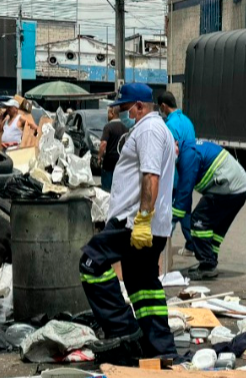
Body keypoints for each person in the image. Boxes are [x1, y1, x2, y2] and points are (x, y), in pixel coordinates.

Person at [77, 83, 179, 362]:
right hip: (147, 224)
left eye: (123, 108)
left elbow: (151, 176)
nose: (119, 113)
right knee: (142, 282)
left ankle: (124, 332)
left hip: (133, 222)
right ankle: (160, 348)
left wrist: (143, 219)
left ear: (138, 106)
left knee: (90, 263)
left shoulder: (148, 129)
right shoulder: (160, 131)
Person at [172, 140, 246, 280]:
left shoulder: (188, 157)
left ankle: (207, 265)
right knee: (215, 228)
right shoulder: (189, 149)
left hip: (229, 186)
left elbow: (184, 193)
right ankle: (210, 260)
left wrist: (170, 221)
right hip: (239, 187)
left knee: (199, 220)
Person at [158, 91, 199, 256]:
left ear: (163, 106)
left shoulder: (170, 125)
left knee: (172, 210)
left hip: (175, 176)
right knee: (185, 209)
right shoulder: (188, 122)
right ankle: (191, 244)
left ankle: (162, 245)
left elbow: (170, 153)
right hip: (189, 173)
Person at [99, 106, 128, 191]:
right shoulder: (126, 127)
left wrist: (99, 156)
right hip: (122, 161)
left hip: (109, 162)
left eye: (108, 113)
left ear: (112, 113)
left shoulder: (108, 126)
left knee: (107, 189)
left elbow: (103, 143)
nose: (107, 115)